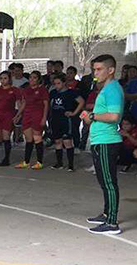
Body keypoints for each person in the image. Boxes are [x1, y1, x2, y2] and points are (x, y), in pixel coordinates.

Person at [80, 54, 124, 235]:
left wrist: (92, 116)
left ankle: (112, 223)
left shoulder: (112, 89)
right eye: (94, 69)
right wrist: (89, 117)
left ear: (111, 70)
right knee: (104, 180)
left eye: (99, 69)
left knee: (109, 181)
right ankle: (107, 213)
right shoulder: (106, 89)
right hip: (100, 140)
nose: (95, 73)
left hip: (108, 141)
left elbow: (114, 116)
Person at [49, 74, 84, 171]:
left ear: (64, 83)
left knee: (67, 141)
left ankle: (70, 165)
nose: (57, 86)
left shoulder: (71, 93)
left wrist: (74, 113)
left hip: (65, 120)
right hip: (55, 119)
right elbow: (50, 104)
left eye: (59, 83)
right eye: (55, 84)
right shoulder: (53, 93)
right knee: (57, 141)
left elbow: (81, 102)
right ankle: (59, 163)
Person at [15, 71, 49, 170]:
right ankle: (26, 161)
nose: (31, 79)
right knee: (29, 139)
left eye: (34, 77)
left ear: (38, 79)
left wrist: (44, 118)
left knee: (37, 138)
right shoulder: (26, 90)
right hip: (27, 115)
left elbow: (46, 105)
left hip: (37, 115)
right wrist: (18, 114)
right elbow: (24, 103)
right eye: (30, 77)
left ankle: (39, 162)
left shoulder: (42, 90)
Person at [0, 71, 21, 166]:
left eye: (5, 78)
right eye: (1, 78)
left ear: (9, 79)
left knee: (6, 137)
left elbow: (19, 105)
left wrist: (18, 116)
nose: (3, 80)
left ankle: (6, 158)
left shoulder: (15, 90)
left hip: (9, 116)